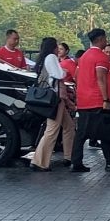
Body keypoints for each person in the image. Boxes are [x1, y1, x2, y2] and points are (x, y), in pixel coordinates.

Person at [69, 28, 110, 172]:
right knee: (106, 131)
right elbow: (101, 79)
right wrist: (106, 99)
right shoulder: (101, 58)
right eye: (105, 38)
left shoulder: (83, 57)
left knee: (81, 133)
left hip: (83, 99)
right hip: (96, 99)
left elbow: (77, 77)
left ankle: (76, 162)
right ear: (101, 39)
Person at [30, 37, 75, 171]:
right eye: (56, 46)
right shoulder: (51, 57)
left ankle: (69, 156)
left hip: (53, 98)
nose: (58, 49)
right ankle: (39, 161)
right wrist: (65, 72)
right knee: (52, 130)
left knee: (69, 126)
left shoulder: (44, 58)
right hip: (55, 98)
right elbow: (59, 74)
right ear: (53, 47)